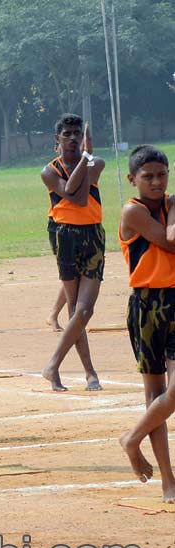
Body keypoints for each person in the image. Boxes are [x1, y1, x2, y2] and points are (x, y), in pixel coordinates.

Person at [117, 145, 175, 502]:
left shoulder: (171, 203)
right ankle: (169, 481)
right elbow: (169, 240)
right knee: (154, 393)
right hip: (147, 304)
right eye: (148, 176)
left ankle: (132, 437)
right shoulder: (132, 210)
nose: (156, 182)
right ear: (132, 179)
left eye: (162, 175)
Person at [41, 115, 105, 391]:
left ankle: (53, 364)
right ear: (57, 139)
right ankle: (89, 372)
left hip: (92, 234)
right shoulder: (49, 171)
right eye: (66, 134)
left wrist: (87, 157)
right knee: (74, 308)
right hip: (65, 234)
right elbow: (73, 195)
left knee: (84, 309)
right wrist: (85, 155)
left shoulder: (96, 163)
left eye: (77, 133)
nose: (73, 138)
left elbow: (81, 197)